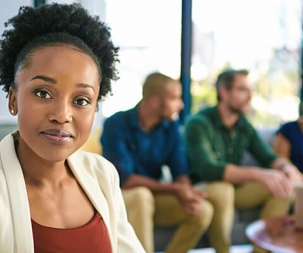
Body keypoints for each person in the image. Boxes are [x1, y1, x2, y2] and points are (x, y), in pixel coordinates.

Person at [0, 3, 145, 253]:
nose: (61, 115)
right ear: (13, 99)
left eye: (81, 101)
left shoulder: (101, 174)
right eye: (43, 93)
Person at [183, 69, 303, 253]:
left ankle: (260, 250)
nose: (250, 96)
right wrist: (258, 174)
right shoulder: (198, 124)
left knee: (283, 186)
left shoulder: (243, 126)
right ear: (224, 92)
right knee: (222, 188)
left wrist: (286, 167)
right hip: (203, 188)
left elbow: (267, 157)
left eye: (250, 90)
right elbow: (208, 169)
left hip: (236, 190)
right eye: (243, 90)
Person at [100, 72, 213, 253]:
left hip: (153, 197)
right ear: (154, 101)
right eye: (175, 98)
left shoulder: (170, 128)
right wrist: (175, 189)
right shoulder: (116, 124)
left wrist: (184, 191)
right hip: (122, 199)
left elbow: (180, 170)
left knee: (202, 210)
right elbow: (126, 180)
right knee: (140, 195)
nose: (181, 105)